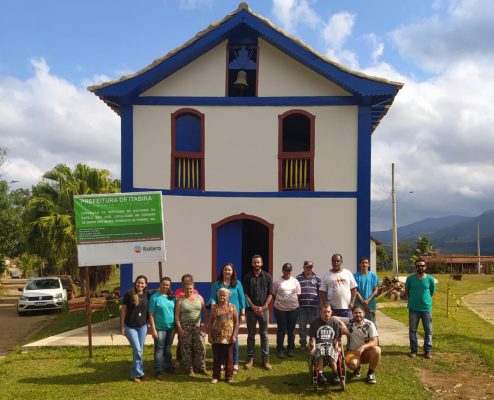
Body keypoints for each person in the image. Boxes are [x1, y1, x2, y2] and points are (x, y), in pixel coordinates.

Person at [208, 262, 246, 373]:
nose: (227, 272)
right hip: (219, 315)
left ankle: (235, 363)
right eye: (225, 270)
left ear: (233, 272)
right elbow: (212, 298)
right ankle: (222, 364)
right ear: (222, 271)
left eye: (229, 270)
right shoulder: (217, 284)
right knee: (220, 339)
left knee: (234, 339)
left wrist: (243, 314)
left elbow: (242, 299)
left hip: (233, 315)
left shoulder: (238, 283)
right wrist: (214, 307)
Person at [243, 254, 273, 370]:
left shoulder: (268, 277)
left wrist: (264, 307)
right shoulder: (247, 277)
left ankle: (265, 360)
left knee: (264, 335)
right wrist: (253, 307)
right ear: (252, 264)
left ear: (262, 263)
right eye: (255, 262)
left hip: (264, 310)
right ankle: (250, 359)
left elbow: (270, 293)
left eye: (258, 262)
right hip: (251, 311)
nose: (257, 264)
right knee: (251, 335)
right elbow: (245, 294)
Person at [175, 281, 208, 377]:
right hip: (185, 327)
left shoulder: (199, 298)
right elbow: (177, 317)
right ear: (183, 289)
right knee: (186, 348)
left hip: (197, 327)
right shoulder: (180, 299)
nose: (189, 290)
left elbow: (205, 312)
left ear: (193, 289)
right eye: (186, 288)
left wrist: (205, 326)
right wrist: (180, 329)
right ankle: (189, 368)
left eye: (190, 288)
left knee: (201, 347)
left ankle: (201, 367)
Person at [120, 275, 150, 382]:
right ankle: (139, 373)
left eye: (142, 283)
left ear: (145, 285)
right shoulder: (129, 294)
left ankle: (135, 374)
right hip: (130, 327)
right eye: (138, 282)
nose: (140, 285)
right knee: (137, 350)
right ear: (135, 283)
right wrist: (122, 326)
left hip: (142, 327)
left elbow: (149, 310)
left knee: (139, 351)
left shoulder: (148, 295)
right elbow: (123, 310)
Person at [208, 288, 239, 384]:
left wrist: (234, 335)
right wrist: (209, 335)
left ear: (228, 296)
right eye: (220, 295)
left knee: (229, 358)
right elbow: (210, 322)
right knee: (216, 357)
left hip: (228, 337)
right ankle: (216, 376)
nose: (222, 297)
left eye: (224, 295)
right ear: (217, 296)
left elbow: (237, 322)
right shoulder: (215, 308)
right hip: (216, 337)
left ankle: (229, 377)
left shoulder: (232, 307)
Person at [405, 258, 435, 359]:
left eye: (422, 265)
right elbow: (407, 291)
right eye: (418, 266)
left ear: (425, 267)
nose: (420, 267)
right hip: (413, 308)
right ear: (415, 267)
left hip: (426, 308)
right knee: (413, 330)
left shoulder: (430, 279)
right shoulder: (410, 278)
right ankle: (414, 350)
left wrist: (425, 300)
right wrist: (414, 300)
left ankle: (427, 351)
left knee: (428, 330)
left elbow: (432, 292)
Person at [345, 306, 381, 384]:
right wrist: (341, 323)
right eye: (355, 313)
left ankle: (370, 373)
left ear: (364, 314)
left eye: (360, 312)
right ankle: (357, 368)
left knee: (377, 350)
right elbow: (333, 317)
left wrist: (363, 347)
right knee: (353, 364)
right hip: (353, 352)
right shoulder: (349, 322)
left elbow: (375, 341)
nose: (358, 315)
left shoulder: (370, 324)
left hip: (366, 352)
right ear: (352, 314)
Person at [148, 276, 176, 379]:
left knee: (168, 348)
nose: (165, 286)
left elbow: (175, 311)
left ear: (169, 286)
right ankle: (158, 370)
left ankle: (168, 366)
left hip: (171, 327)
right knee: (159, 349)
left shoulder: (172, 297)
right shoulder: (154, 297)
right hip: (159, 328)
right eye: (163, 284)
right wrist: (153, 329)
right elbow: (150, 314)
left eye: (167, 285)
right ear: (160, 284)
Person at [309, 303, 343, 385]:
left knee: (330, 351)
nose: (326, 314)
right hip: (319, 345)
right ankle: (320, 374)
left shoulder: (335, 322)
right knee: (321, 350)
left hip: (331, 344)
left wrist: (336, 346)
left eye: (328, 312)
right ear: (321, 312)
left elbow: (336, 338)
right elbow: (313, 337)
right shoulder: (314, 322)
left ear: (331, 312)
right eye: (324, 312)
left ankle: (336, 374)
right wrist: (313, 348)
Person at [272, 263, 301, 358]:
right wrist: (282, 302)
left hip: (293, 309)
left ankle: (291, 348)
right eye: (286, 270)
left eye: (289, 271)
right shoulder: (277, 281)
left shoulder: (295, 281)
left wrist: (290, 302)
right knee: (281, 328)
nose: (287, 272)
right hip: (280, 309)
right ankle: (280, 349)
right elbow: (274, 294)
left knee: (291, 329)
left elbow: (298, 294)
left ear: (291, 271)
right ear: (282, 270)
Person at [319, 253, 357, 318]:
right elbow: (322, 292)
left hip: (347, 308)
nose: (335, 263)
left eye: (338, 261)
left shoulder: (348, 273)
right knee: (334, 327)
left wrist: (352, 302)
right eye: (334, 261)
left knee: (347, 326)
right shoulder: (326, 275)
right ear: (331, 262)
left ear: (341, 262)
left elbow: (354, 289)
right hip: (332, 310)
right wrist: (326, 305)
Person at [173, 274, 199, 367]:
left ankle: (191, 360)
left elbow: (197, 303)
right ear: (182, 283)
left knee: (193, 342)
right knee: (181, 340)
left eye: (188, 281)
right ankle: (179, 359)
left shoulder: (195, 291)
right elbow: (176, 304)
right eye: (184, 281)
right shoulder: (178, 292)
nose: (186, 283)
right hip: (181, 319)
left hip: (193, 322)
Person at [296, 260, 321, 350]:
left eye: (311, 267)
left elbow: (320, 291)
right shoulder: (298, 278)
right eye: (307, 267)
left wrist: (320, 304)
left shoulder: (317, 278)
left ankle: (313, 344)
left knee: (314, 326)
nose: (309, 268)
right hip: (302, 307)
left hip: (313, 307)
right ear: (304, 267)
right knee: (302, 326)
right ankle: (303, 344)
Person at [354, 257, 379, 324]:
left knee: (371, 325)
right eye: (362, 263)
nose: (364, 264)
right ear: (360, 264)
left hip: (370, 306)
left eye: (366, 263)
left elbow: (376, 290)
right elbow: (355, 291)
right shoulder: (355, 276)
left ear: (369, 264)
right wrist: (363, 302)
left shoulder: (373, 275)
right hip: (358, 306)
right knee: (359, 325)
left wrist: (367, 301)